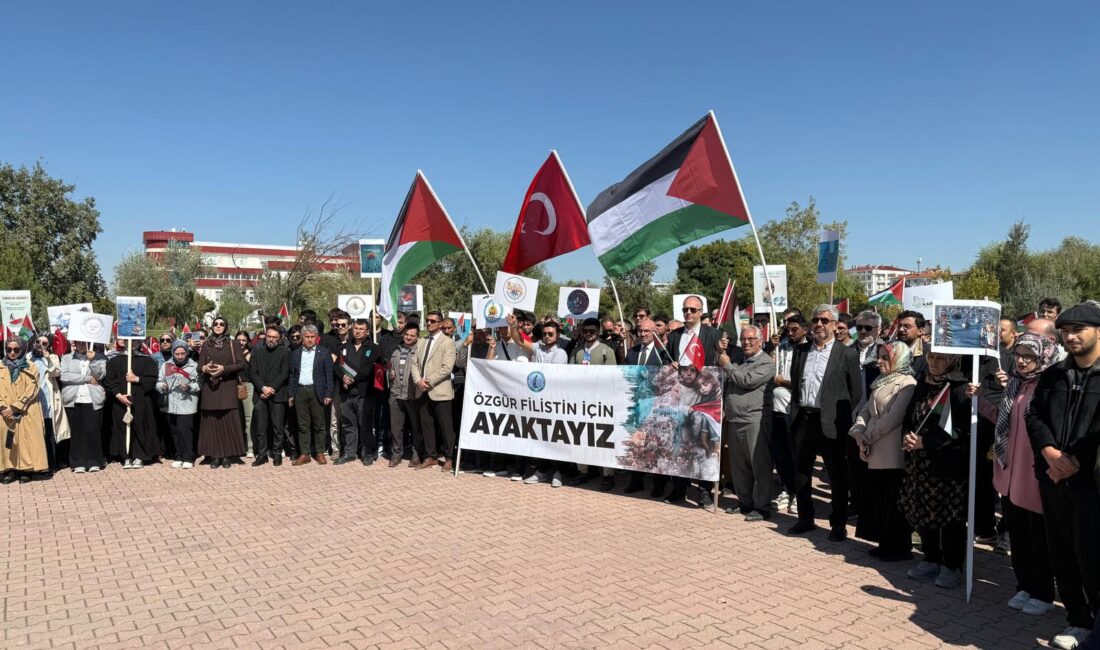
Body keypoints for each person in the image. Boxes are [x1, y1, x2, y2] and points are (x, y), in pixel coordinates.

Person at [1026, 302, 1100, 650]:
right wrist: (1050, 454)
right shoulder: (1054, 374)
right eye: (1065, 330)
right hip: (1053, 478)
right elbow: (1034, 415)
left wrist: (1074, 460)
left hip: (1091, 483)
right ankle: (1077, 619)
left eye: (1079, 330)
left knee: (1091, 553)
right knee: (1062, 551)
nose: (1070, 336)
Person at [974, 332, 1058, 617]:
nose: (1021, 361)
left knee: (1039, 540)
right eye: (1019, 355)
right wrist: (979, 401)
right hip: (1009, 472)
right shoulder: (1016, 386)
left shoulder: (1049, 386)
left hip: (1034, 475)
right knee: (1019, 537)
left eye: (1029, 356)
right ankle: (1024, 585)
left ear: (1043, 356)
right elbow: (1002, 420)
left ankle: (1043, 592)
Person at [787, 304, 862, 541]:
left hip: (831, 422)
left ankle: (838, 524)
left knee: (837, 475)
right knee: (801, 472)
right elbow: (796, 382)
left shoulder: (847, 353)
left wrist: (838, 415)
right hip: (804, 419)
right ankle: (805, 519)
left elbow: (855, 392)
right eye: (816, 319)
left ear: (835, 324)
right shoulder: (801, 351)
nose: (819, 324)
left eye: (825, 320)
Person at [899, 351, 971, 589]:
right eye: (931, 357)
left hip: (946, 465)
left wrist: (926, 443)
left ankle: (952, 565)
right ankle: (931, 558)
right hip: (919, 465)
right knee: (922, 511)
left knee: (949, 517)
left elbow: (962, 429)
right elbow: (910, 416)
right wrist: (908, 437)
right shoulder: (923, 383)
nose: (934, 363)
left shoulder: (960, 388)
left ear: (952, 360)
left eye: (941, 358)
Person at [849, 341, 917, 561]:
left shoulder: (907, 383)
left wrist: (868, 437)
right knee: (878, 498)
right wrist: (858, 432)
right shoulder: (880, 381)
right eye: (879, 357)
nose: (879, 361)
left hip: (891, 450)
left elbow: (894, 417)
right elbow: (866, 410)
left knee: (892, 500)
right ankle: (883, 541)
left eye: (885, 358)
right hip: (873, 447)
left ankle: (897, 546)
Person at [660, 295, 722, 506]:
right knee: (680, 441)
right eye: (685, 309)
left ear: (701, 312)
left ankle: (704, 491)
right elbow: (667, 360)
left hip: (703, 396)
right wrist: (672, 365)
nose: (688, 313)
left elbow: (719, 363)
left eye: (693, 310)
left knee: (703, 443)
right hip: (680, 396)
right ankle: (679, 487)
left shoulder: (713, 334)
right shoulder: (676, 335)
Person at [718, 325, 774, 520]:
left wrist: (727, 365)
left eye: (751, 339)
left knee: (759, 465)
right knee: (739, 466)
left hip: (754, 420)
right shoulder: (740, 360)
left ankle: (762, 506)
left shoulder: (766, 363)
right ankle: (745, 501)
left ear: (760, 341)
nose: (747, 342)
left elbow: (747, 381)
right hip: (734, 419)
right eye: (744, 339)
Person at [567, 317, 619, 490]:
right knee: (580, 437)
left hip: (601, 402)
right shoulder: (577, 351)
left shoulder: (606, 350)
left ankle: (607, 474)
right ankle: (583, 471)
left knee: (604, 439)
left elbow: (612, 377)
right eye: (585, 331)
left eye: (592, 331)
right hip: (580, 403)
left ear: (598, 332)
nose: (588, 334)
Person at [197, 317, 248, 468]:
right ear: (212, 327)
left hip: (227, 386)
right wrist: (205, 368)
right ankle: (214, 456)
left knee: (227, 423)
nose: (218, 326)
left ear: (226, 327)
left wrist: (224, 369)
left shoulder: (233, 344)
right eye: (216, 324)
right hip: (210, 388)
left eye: (221, 324)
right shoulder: (206, 345)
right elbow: (199, 367)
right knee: (212, 424)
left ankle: (226, 455)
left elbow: (242, 364)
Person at [411, 310, 458, 471]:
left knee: (446, 427)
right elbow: (414, 363)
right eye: (427, 321)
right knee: (427, 425)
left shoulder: (447, 342)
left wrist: (428, 381)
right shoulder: (421, 341)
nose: (429, 323)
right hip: (422, 390)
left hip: (440, 390)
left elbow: (447, 368)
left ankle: (449, 457)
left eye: (432, 321)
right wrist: (418, 380)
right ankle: (430, 455)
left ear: (440, 324)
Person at [104, 340, 161, 468]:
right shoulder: (114, 360)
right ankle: (126, 456)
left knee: (140, 426)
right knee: (123, 428)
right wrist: (118, 395)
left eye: (134, 341)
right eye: (128, 341)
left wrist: (136, 379)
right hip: (121, 401)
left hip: (141, 400)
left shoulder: (147, 360)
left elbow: (153, 380)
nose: (131, 344)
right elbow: (109, 381)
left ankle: (139, 455)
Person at [0, 338, 49, 483]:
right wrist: (4, 407)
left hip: (26, 410)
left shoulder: (30, 366)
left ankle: (26, 470)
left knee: (27, 440)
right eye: (9, 349)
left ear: (22, 349)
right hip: (4, 411)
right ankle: (11, 469)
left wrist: (16, 407)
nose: (12, 352)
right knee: (8, 441)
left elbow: (32, 388)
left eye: (16, 350)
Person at [334, 319, 379, 466]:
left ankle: (368, 452)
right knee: (348, 424)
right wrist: (343, 377)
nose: (358, 331)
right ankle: (349, 452)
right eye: (356, 328)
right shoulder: (344, 347)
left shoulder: (373, 348)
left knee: (365, 424)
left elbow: (367, 369)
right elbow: (337, 366)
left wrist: (352, 379)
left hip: (364, 393)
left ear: (367, 332)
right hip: (346, 393)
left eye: (361, 329)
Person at [288, 324, 334, 465]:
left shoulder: (324, 352)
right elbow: (292, 375)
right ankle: (305, 454)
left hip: (317, 391)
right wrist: (291, 394)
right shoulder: (296, 353)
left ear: (316, 337)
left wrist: (328, 393)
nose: (309, 340)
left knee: (319, 424)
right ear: (302, 337)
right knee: (303, 425)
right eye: (307, 337)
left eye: (312, 337)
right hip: (300, 391)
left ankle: (320, 452)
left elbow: (329, 375)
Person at [60, 340, 107, 473]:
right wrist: (86, 379)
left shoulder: (100, 357)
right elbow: (64, 376)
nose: (81, 345)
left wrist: (93, 361)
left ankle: (94, 461)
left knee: (92, 430)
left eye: (84, 343)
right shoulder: (66, 358)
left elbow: (100, 375)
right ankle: (77, 462)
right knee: (77, 432)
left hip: (93, 399)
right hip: (73, 399)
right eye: (79, 343)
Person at [249, 324, 290, 467]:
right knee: (261, 427)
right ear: (265, 336)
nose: (271, 339)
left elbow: (284, 373)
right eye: (269, 336)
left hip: (277, 395)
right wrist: (262, 388)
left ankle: (277, 453)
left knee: (277, 427)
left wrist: (271, 388)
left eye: (274, 337)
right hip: (260, 394)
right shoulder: (257, 351)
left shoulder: (285, 352)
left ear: (279, 339)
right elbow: (253, 372)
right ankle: (262, 454)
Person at [157, 340, 200, 469]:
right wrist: (162, 386)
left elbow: (199, 384)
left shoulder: (194, 366)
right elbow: (159, 381)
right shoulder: (166, 365)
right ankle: (179, 456)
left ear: (187, 352)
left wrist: (189, 387)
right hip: (171, 404)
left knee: (185, 431)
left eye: (183, 353)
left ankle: (188, 457)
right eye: (177, 353)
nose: (180, 356)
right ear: (173, 353)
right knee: (174, 432)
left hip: (187, 404)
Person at [29, 334, 68, 471]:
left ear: (48, 346)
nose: (40, 344)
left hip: (48, 399)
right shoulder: (27, 357)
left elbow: (56, 373)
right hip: (32, 401)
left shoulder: (52, 357)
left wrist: (47, 359)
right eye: (38, 341)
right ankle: (36, 463)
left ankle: (51, 464)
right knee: (35, 432)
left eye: (44, 343)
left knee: (49, 432)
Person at [387, 323, 421, 467]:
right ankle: (397, 454)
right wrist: (390, 374)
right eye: (406, 334)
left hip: (412, 395)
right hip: (395, 394)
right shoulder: (396, 350)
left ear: (417, 337)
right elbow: (389, 369)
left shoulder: (420, 350)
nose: (408, 337)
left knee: (415, 426)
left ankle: (416, 454)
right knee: (396, 427)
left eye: (412, 335)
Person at [235, 331, 255, 458]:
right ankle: (238, 447)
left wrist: (249, 360)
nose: (241, 343)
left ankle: (250, 447)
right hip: (233, 387)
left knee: (249, 417)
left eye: (243, 340)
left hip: (247, 386)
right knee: (236, 418)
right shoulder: (231, 354)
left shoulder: (251, 355)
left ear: (247, 341)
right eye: (239, 340)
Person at [895, 310, 929, 378]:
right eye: (899, 326)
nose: (901, 329)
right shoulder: (890, 350)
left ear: (920, 331)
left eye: (907, 326)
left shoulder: (930, 355)